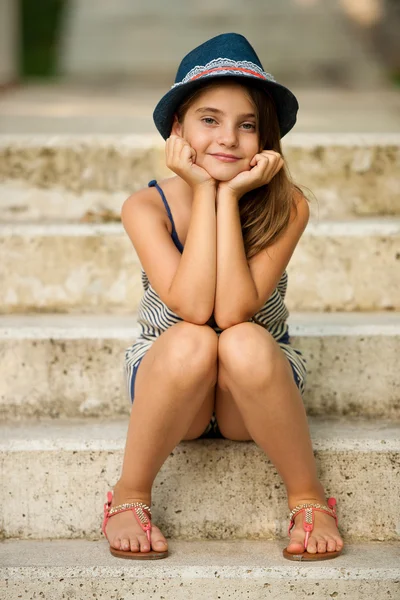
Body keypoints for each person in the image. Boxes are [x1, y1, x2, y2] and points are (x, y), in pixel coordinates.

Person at [101, 32, 344, 562]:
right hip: (173, 385)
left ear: (267, 137)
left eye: (248, 124)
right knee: (192, 340)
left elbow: (233, 312)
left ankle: (307, 497)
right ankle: (130, 493)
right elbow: (193, 308)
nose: (228, 139)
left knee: (242, 341)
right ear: (178, 130)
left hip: (251, 389)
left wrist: (228, 196)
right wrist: (204, 189)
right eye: (209, 120)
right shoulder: (146, 207)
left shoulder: (289, 206)